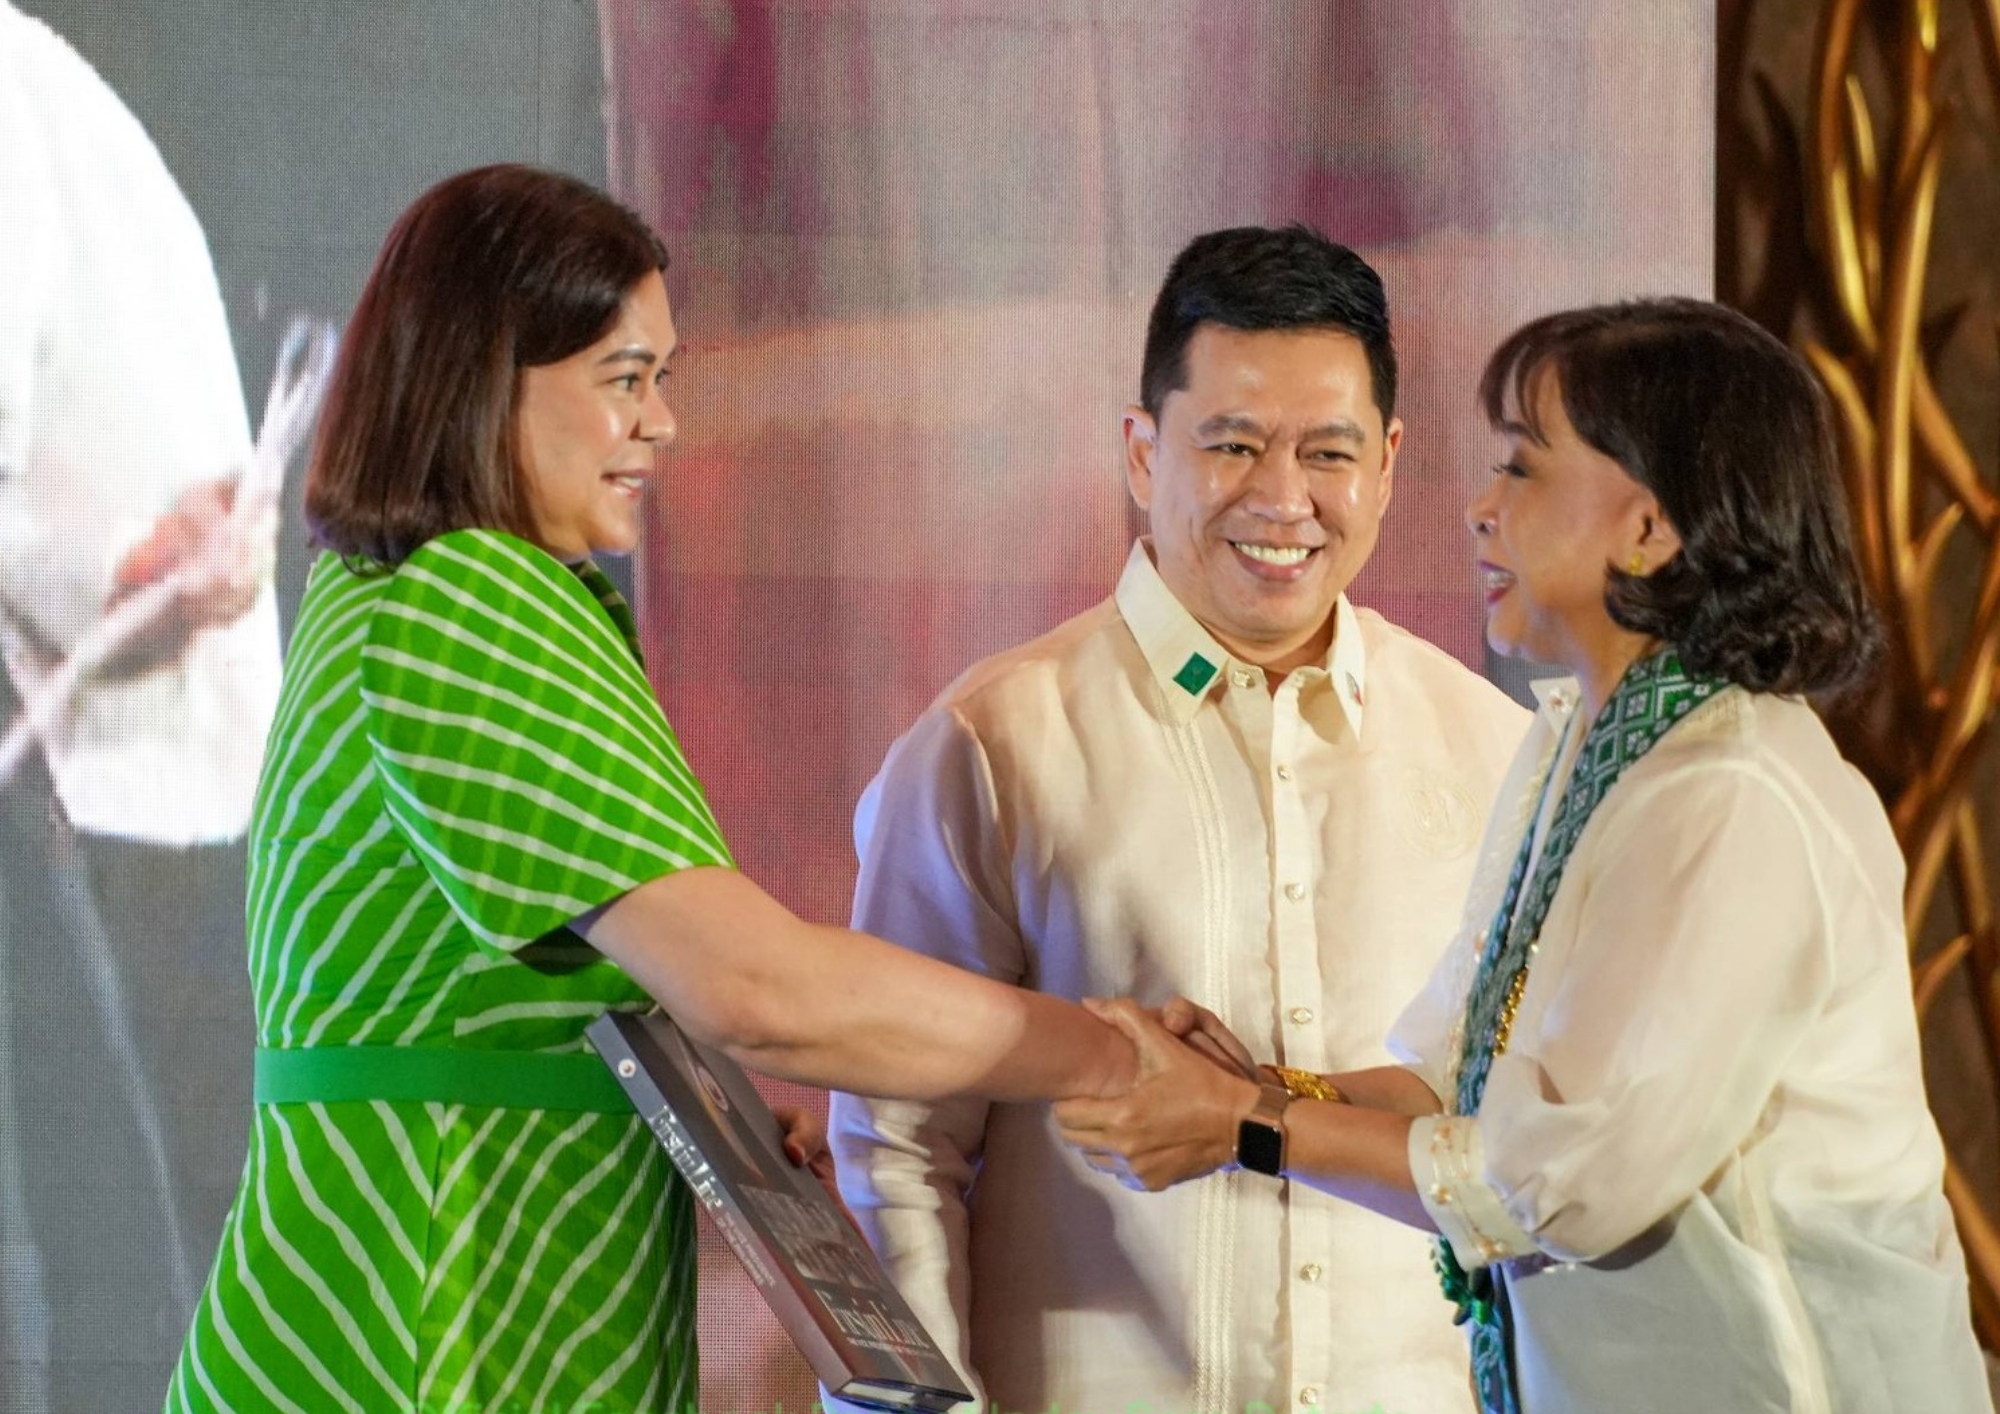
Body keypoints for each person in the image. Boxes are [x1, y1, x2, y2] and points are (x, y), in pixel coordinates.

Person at [164, 163, 1135, 1414]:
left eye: (661, 379)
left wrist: (710, 1111)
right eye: (624, 379)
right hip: (433, 1324)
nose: (662, 423)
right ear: (483, 379)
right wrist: (1105, 1052)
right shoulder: (467, 595)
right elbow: (759, 988)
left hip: (478, 1302)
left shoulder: (419, 587)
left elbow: (559, 994)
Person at [1054, 298, 1994, 1414]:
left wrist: (1245, 1128)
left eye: (1522, 468)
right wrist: (1254, 1087)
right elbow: (1454, 1081)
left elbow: (1560, 1181)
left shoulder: (1730, 792)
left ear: (1649, 529)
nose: (1479, 507)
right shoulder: (1578, 744)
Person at [827, 226, 1525, 1414]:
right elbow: (895, 1149)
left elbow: (1512, 1143)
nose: (1283, 499)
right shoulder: (995, 742)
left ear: (1387, 464)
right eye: (1233, 444)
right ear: (1142, 451)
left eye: (1327, 452)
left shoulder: (1490, 748)